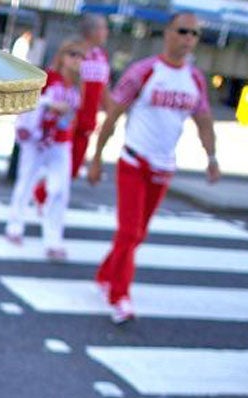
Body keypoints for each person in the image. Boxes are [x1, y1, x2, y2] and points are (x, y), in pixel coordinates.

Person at [88, 12, 220, 324]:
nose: (188, 39)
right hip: (134, 160)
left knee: (138, 233)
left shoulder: (196, 79)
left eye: (194, 34)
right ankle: (120, 296)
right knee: (129, 230)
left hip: (164, 166)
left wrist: (211, 158)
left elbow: (204, 120)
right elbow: (113, 115)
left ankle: (106, 272)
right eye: (182, 31)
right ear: (168, 33)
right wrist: (96, 159)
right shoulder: (144, 70)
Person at [4, 38, 85, 261]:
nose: (77, 60)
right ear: (62, 56)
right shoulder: (49, 78)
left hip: (61, 141)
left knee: (59, 190)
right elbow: (32, 102)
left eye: (81, 57)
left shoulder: (78, 85)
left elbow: (77, 114)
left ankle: (53, 239)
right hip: (38, 139)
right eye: (73, 54)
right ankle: (14, 227)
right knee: (26, 183)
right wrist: (50, 104)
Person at [33, 14, 109, 203]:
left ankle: (43, 195)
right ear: (93, 31)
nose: (106, 33)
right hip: (66, 120)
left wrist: (109, 111)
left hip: (88, 121)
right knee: (59, 167)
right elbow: (55, 78)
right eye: (103, 28)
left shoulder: (101, 57)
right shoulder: (74, 52)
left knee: (73, 169)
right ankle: (43, 198)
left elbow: (103, 88)